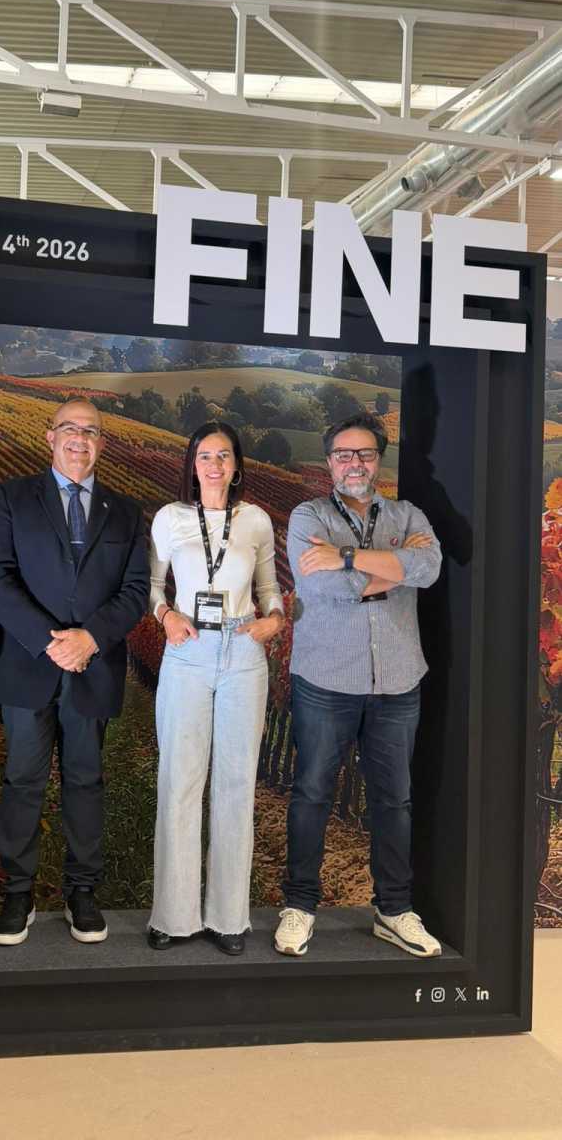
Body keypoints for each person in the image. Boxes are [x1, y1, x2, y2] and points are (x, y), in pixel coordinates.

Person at [0, 397, 149, 946]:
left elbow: (135, 592)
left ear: (102, 442)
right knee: (22, 781)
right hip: (28, 663)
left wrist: (90, 639)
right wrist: (49, 642)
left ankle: (82, 893)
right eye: (70, 429)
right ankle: (18, 894)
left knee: (85, 782)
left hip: (92, 667)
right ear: (50, 437)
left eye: (91, 431)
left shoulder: (127, 512)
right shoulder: (11, 497)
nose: (80, 439)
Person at [276, 411, 442, 959]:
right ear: (329, 462)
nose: (355, 463)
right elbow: (319, 586)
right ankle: (300, 905)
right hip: (326, 679)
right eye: (344, 454)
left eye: (365, 454)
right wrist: (394, 566)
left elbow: (429, 568)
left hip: (398, 679)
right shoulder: (308, 516)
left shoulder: (408, 513)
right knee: (311, 793)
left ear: (378, 461)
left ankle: (393, 910)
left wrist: (346, 557)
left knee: (394, 800)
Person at [147, 422, 284, 956]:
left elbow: (269, 588)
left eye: (224, 455)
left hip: (243, 652)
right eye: (205, 455)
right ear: (192, 463)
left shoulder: (256, 520)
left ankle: (229, 918)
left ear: (236, 465)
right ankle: (173, 916)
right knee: (179, 782)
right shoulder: (170, 518)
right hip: (188, 651)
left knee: (235, 784)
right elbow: (152, 587)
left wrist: (274, 619)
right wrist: (165, 616)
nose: (214, 465)